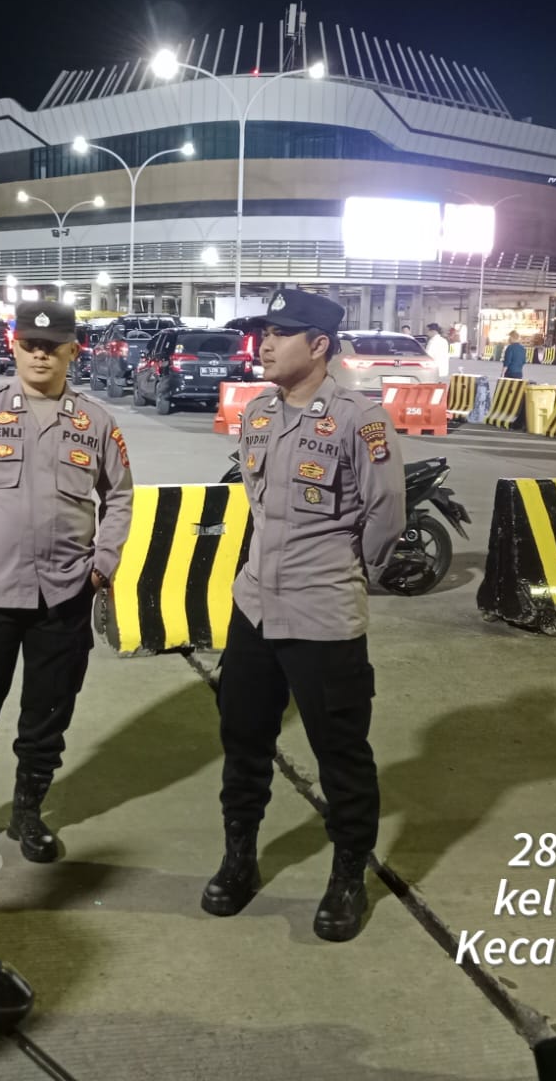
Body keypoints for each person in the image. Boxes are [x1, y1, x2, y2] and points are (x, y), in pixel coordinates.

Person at [202, 288, 406, 942]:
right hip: (255, 608)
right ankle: (239, 857)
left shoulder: (360, 419)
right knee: (243, 741)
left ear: (318, 346)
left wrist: (346, 575)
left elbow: (386, 514)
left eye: (280, 333)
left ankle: (348, 875)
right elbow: (258, 506)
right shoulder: (257, 413)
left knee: (340, 753)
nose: (264, 343)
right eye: (263, 332)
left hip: (323, 616)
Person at [0, 300, 133, 862]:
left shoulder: (96, 422)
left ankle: (27, 815)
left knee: (47, 715)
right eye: (30, 345)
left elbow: (119, 497)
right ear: (15, 347)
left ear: (73, 351)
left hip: (65, 593)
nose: (40, 355)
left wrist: (103, 564)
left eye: (52, 347)